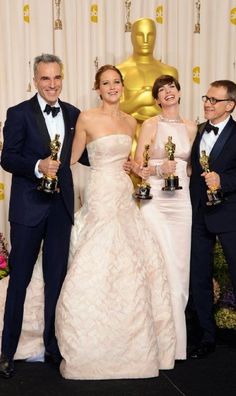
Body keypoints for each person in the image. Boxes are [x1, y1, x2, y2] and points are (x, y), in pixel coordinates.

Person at [55, 65, 176, 380]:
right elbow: (70, 158)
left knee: (130, 259)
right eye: (106, 83)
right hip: (99, 192)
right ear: (98, 88)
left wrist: (140, 169)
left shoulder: (130, 122)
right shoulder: (87, 118)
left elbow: (132, 162)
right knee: (97, 255)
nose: (112, 87)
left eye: (116, 82)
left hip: (123, 192)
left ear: (123, 86)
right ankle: (88, 341)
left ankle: (133, 340)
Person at [0, 53, 89, 379]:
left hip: (61, 209)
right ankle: (6, 353)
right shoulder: (18, 113)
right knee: (19, 282)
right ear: (35, 80)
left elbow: (87, 154)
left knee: (56, 282)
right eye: (45, 79)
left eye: (56, 78)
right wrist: (38, 166)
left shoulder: (73, 114)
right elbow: (7, 158)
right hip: (27, 209)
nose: (52, 85)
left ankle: (53, 348)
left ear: (62, 78)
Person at [132, 75, 197, 360]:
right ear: (157, 99)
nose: (167, 92)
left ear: (179, 93)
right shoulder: (150, 124)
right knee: (162, 266)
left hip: (181, 203)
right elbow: (138, 166)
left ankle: (176, 343)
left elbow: (192, 167)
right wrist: (159, 171)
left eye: (171, 87)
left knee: (181, 271)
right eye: (161, 90)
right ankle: (156, 342)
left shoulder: (192, 127)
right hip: (156, 202)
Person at [188, 80, 236, 359]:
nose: (207, 103)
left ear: (229, 105)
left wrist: (224, 181)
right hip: (199, 216)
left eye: (214, 100)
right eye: (207, 98)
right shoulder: (198, 130)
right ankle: (206, 337)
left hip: (229, 216)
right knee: (200, 278)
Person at [117, 18, 178, 153]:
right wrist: (138, 100)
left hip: (161, 133)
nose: (145, 40)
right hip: (128, 135)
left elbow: (173, 109)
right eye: (140, 35)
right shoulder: (120, 70)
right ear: (132, 37)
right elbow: (113, 110)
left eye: (150, 35)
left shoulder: (169, 72)